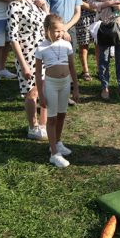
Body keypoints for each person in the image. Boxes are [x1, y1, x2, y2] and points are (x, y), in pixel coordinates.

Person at [8, 0, 49, 141]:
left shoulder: (37, 2)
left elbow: (48, 26)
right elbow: (12, 38)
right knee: (31, 93)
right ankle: (32, 126)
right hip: (27, 54)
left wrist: (45, 8)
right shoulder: (14, 6)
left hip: (44, 53)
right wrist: (23, 63)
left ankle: (43, 125)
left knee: (45, 91)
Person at [35, 14, 76, 168]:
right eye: (56, 31)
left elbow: (72, 67)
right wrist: (41, 94)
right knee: (51, 119)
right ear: (47, 30)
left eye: (61, 31)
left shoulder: (67, 45)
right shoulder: (41, 48)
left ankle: (57, 142)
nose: (60, 34)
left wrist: (76, 88)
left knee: (62, 114)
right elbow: (38, 74)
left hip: (65, 84)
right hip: (51, 85)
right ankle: (54, 154)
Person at [42, 0, 82, 102]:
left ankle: (69, 91)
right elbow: (46, 12)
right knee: (54, 62)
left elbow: (77, 12)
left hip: (69, 30)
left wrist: (65, 28)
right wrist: (58, 30)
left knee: (69, 63)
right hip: (53, 32)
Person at [73, 0, 98, 82]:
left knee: (99, 43)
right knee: (84, 45)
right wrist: (91, 7)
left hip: (98, 15)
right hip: (83, 16)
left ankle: (100, 69)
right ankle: (85, 71)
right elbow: (77, 0)